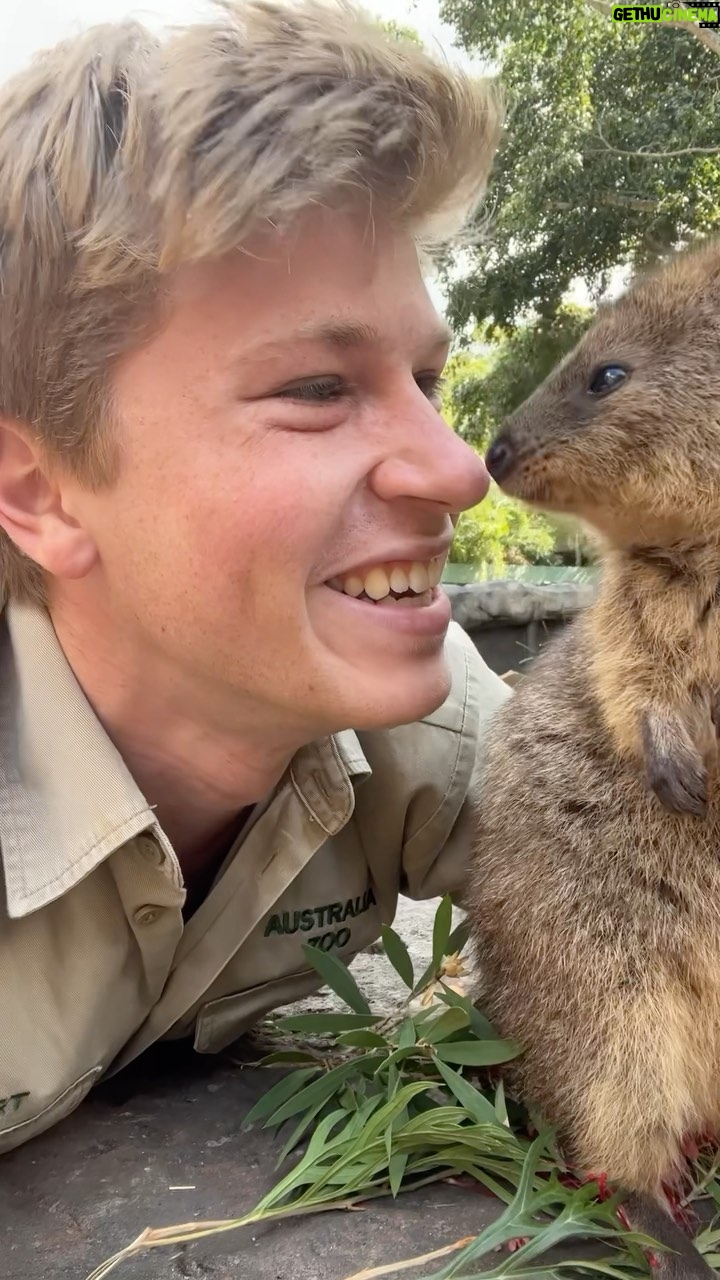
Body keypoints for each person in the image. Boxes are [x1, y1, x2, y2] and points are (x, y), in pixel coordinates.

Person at [0, 0, 510, 1154]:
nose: (460, 468)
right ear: (38, 490)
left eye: (428, 378)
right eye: (319, 390)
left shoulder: (420, 711)